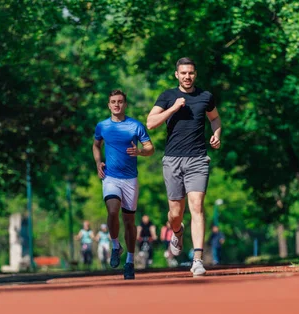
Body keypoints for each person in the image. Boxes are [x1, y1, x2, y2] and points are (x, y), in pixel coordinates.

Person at [147, 57, 222, 277]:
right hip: (172, 160)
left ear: (195, 74)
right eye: (183, 73)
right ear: (176, 75)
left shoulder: (205, 97)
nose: (187, 77)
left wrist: (216, 134)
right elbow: (150, 123)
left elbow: (215, 118)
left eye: (191, 73)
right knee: (175, 214)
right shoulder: (167, 96)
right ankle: (177, 231)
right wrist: (173, 108)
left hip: (198, 159)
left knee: (197, 206)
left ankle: (197, 259)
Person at [93, 89, 154, 279]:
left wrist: (140, 152)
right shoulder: (102, 126)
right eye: (113, 102)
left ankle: (129, 260)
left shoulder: (135, 126)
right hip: (111, 177)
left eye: (120, 101)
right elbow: (96, 145)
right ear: (109, 105)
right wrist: (98, 162)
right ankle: (115, 245)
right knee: (112, 211)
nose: (117, 104)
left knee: (129, 222)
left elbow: (150, 148)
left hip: (130, 180)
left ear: (125, 104)